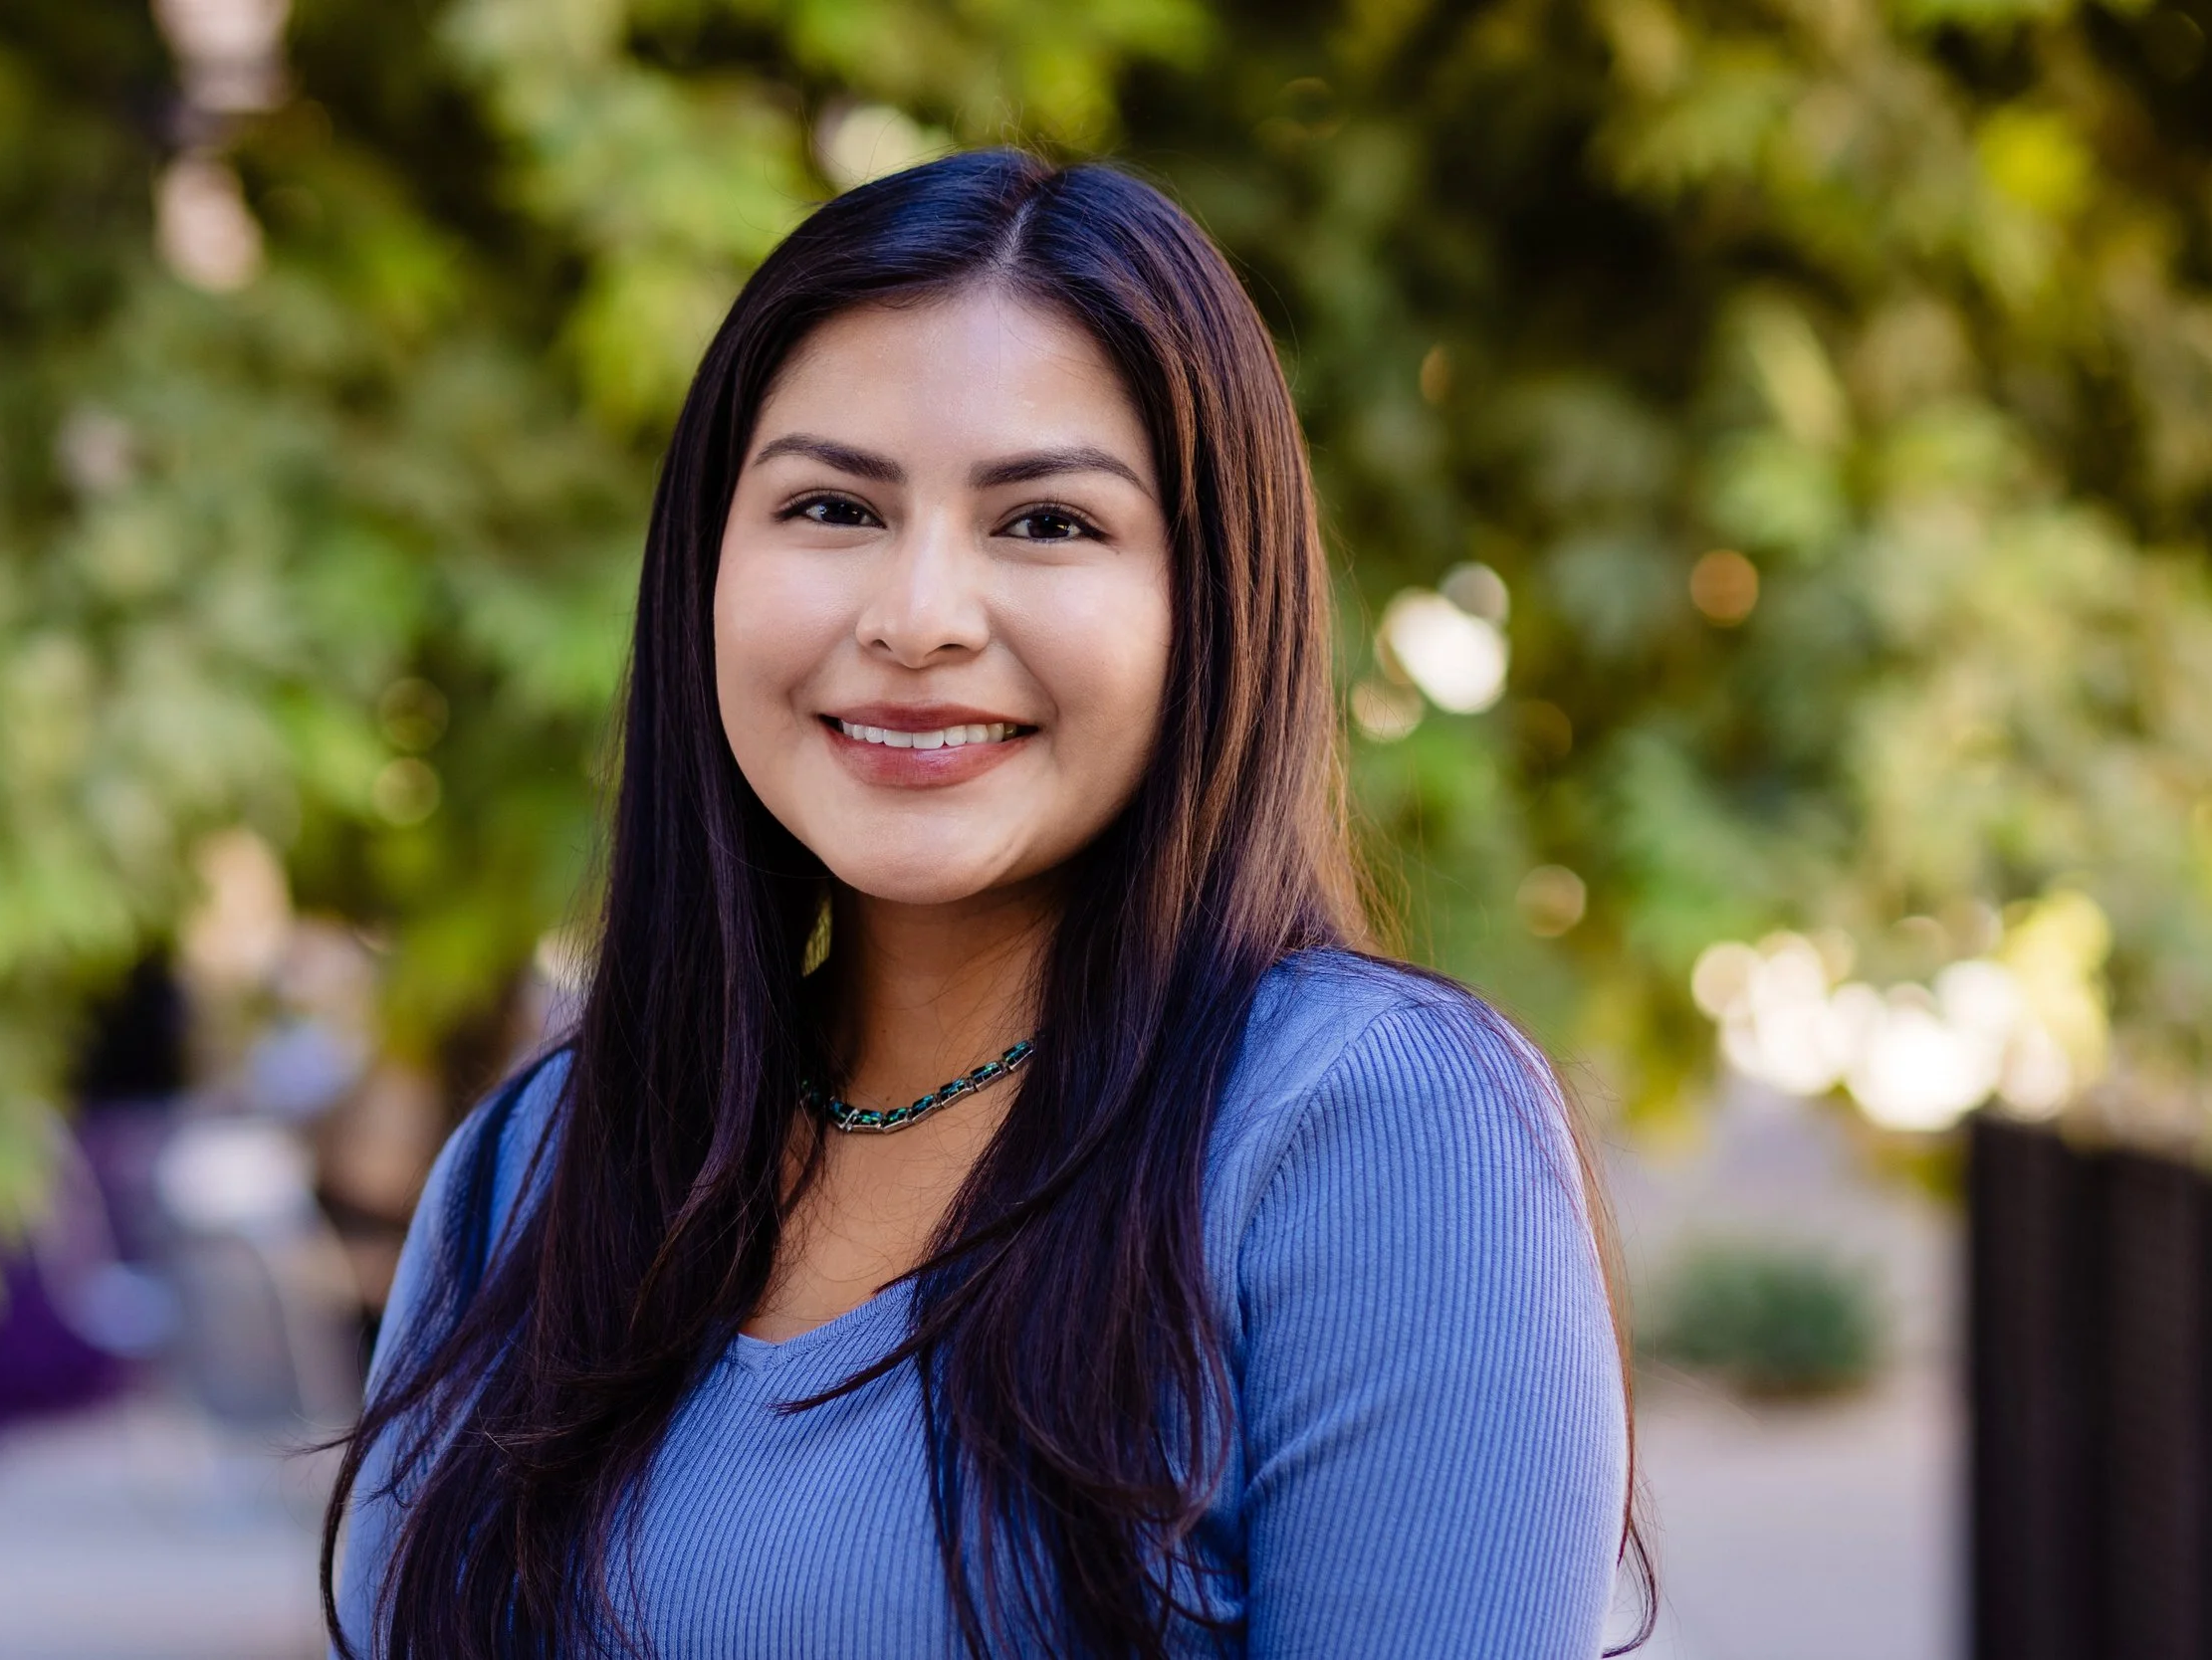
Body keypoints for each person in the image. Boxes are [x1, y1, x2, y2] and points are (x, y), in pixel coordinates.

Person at [325, 148, 1648, 1660]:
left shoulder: (1370, 1128)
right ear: (705, 566)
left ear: (1205, 605)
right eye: (830, 508)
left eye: (1046, 525)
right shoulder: (529, 1169)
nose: (917, 619)